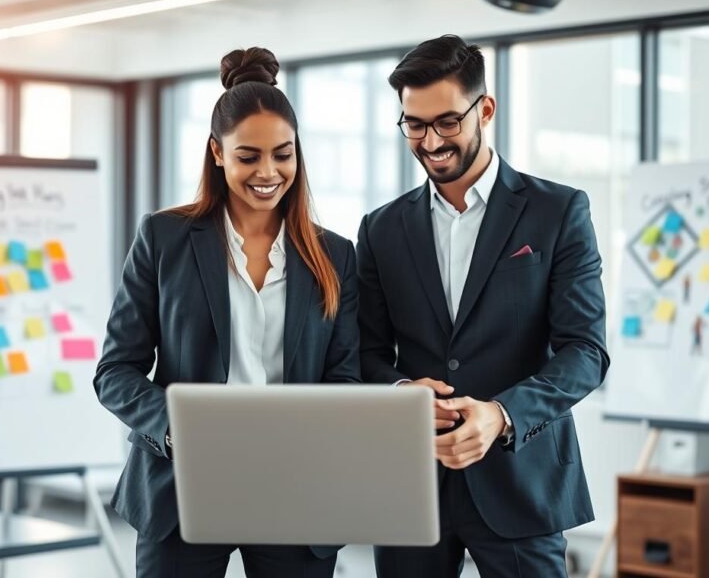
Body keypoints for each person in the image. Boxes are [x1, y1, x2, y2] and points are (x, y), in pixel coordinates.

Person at [94, 47, 359, 578]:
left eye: (283, 154)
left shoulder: (336, 255)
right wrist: (179, 427)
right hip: (182, 485)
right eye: (248, 156)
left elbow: (344, 377)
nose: (268, 172)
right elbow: (115, 372)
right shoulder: (164, 239)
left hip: (297, 490)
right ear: (217, 152)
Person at [357, 35, 610, 577]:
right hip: (411, 484)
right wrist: (401, 394)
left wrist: (501, 415)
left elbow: (585, 351)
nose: (430, 141)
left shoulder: (558, 211)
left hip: (523, 481)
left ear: (485, 109)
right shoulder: (380, 229)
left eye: (447, 122)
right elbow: (363, 353)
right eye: (414, 124)